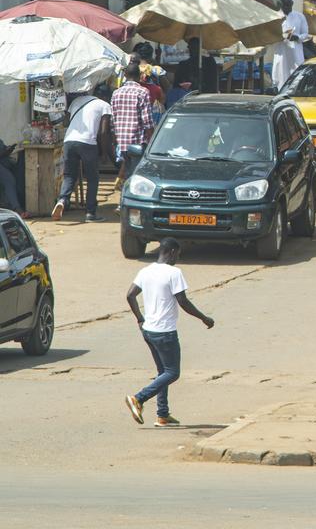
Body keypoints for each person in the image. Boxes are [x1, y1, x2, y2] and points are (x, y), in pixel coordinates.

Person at [124, 238, 215, 426]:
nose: (177, 258)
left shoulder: (145, 271)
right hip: (165, 332)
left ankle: (162, 414)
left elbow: (130, 295)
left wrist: (140, 318)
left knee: (162, 372)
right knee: (172, 372)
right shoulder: (174, 273)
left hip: (148, 330)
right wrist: (204, 318)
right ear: (172, 252)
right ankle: (138, 399)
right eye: (178, 255)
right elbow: (183, 301)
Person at [52, 90, 113, 222]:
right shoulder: (104, 105)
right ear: (104, 97)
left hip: (69, 141)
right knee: (92, 178)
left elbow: (66, 123)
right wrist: (103, 153)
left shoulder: (76, 101)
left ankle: (63, 199)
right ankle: (90, 213)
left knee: (69, 175)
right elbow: (103, 132)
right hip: (88, 143)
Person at [111, 62, 155, 181]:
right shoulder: (142, 92)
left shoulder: (116, 93)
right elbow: (148, 121)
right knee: (136, 175)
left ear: (125, 75)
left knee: (128, 173)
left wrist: (115, 140)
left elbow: (113, 119)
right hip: (137, 142)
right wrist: (152, 142)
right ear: (139, 75)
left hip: (122, 142)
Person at [272, 0, 309, 91]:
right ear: (281, 5)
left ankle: (296, 92)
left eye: (289, 5)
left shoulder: (299, 16)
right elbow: (271, 35)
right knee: (281, 73)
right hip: (281, 51)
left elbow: (305, 33)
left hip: (295, 50)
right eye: (285, 6)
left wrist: (297, 37)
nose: (287, 8)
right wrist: (280, 36)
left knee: (297, 73)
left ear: (292, 4)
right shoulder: (275, 17)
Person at [0, 140, 27, 217]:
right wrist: (4, 152)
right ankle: (17, 208)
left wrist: (8, 149)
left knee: (20, 169)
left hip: (4, 162)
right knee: (9, 179)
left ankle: (23, 203)